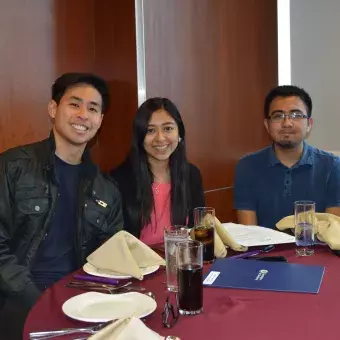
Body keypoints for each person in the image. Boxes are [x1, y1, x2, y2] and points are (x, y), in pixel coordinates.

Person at [0, 73, 123, 339]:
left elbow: (111, 257)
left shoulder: (107, 190)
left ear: (100, 121)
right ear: (53, 109)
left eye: (93, 109)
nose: (83, 115)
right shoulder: (13, 166)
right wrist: (37, 299)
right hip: (17, 300)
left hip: (81, 302)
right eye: (74, 104)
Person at [234, 85, 340, 229]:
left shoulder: (332, 166)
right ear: (267, 125)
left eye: (296, 115)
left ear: (309, 124)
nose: (287, 123)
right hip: (266, 250)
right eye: (278, 116)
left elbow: (332, 232)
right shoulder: (247, 167)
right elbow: (249, 234)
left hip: (315, 250)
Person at [110, 97, 205, 245]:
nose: (160, 138)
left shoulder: (191, 175)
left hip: (180, 263)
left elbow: (198, 232)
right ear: (139, 137)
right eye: (150, 130)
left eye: (168, 128)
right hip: (138, 266)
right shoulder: (118, 180)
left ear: (179, 133)